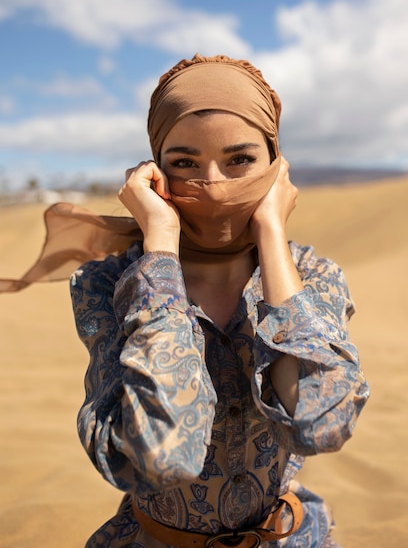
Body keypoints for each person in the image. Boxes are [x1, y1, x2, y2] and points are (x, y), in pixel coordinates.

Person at [69, 54, 369, 548]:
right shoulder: (110, 282)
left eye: (241, 160)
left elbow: (325, 421)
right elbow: (166, 452)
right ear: (153, 171)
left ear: (276, 164)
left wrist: (271, 232)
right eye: (184, 162)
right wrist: (161, 246)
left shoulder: (312, 277)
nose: (215, 183)